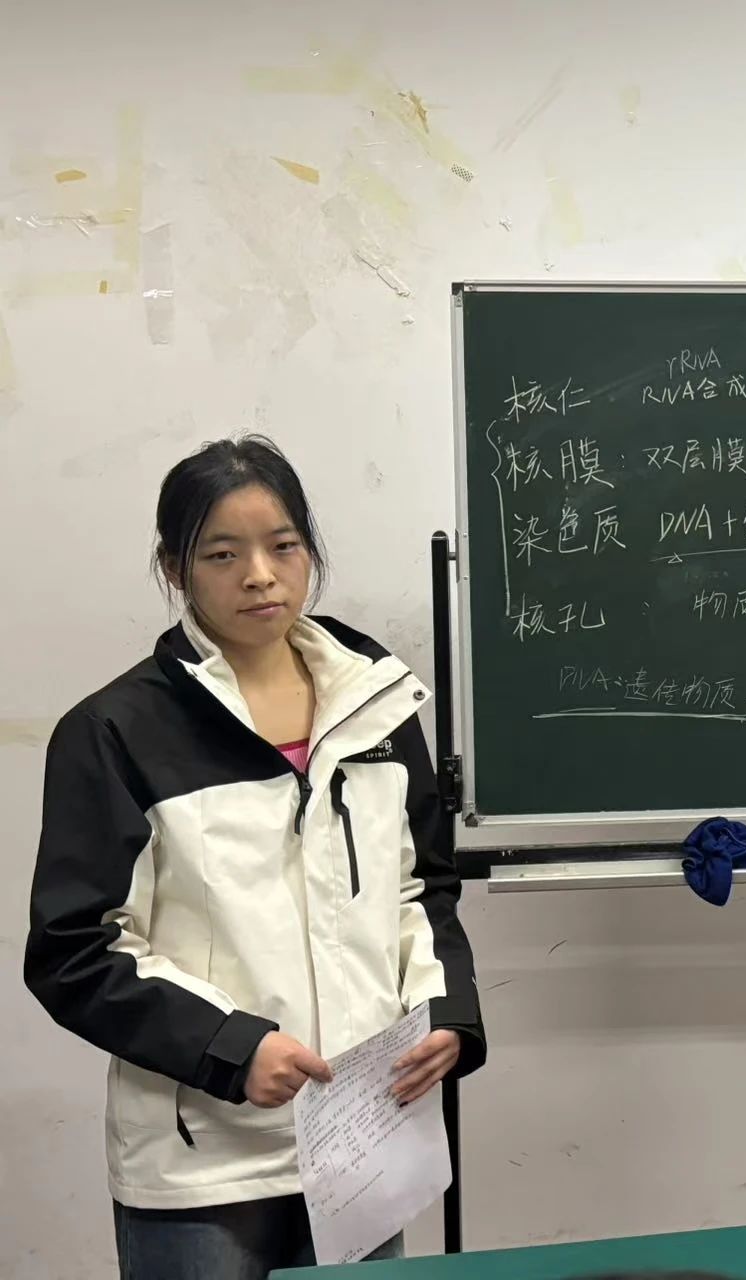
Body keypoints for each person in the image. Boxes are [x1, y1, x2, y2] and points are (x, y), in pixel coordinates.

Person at [24, 435, 486, 1278]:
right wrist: (231, 1046)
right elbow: (74, 951)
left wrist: (446, 1010)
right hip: (204, 1162)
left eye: (283, 546)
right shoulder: (115, 731)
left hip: (361, 1136)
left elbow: (422, 886)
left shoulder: (376, 704)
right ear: (175, 568)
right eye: (222, 554)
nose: (260, 576)